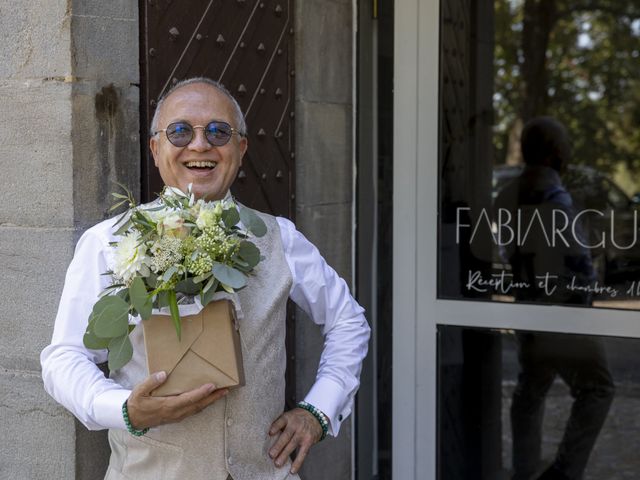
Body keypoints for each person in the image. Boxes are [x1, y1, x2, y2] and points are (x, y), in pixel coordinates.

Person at [41, 77, 370, 480]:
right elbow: (65, 358)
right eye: (180, 131)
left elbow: (348, 321)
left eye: (218, 131)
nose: (200, 145)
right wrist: (124, 408)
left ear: (241, 148)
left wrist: (318, 410)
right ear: (155, 148)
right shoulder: (107, 242)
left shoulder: (279, 238)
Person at [496, 117, 615, 480]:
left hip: (529, 312)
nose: (568, 151)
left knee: (531, 389)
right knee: (597, 388)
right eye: (564, 144)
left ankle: (523, 470)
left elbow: (508, 252)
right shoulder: (555, 198)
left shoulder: (508, 194)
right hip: (562, 316)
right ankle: (563, 472)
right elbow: (576, 263)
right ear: (553, 153)